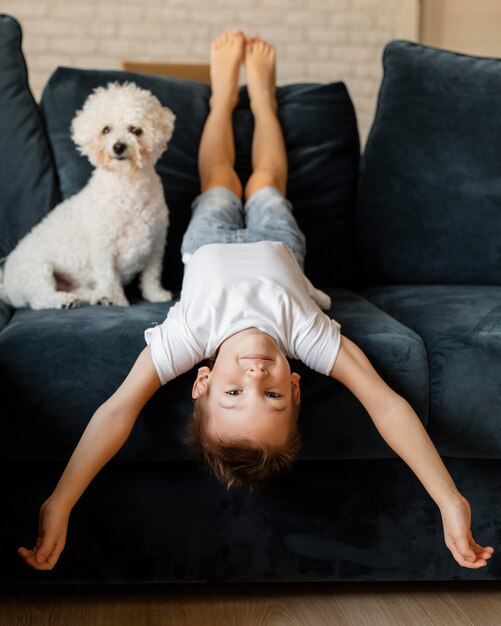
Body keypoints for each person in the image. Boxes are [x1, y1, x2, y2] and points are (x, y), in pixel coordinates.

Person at [18, 30, 494, 571]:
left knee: (218, 179)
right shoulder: (307, 338)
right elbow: (386, 405)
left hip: (208, 243)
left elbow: (117, 411)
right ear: (295, 386)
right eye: (271, 396)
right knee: (267, 180)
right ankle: (264, 101)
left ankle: (223, 96)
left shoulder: (188, 336)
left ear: (201, 382)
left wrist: (60, 500)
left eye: (233, 392)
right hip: (278, 242)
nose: (255, 375)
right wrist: (449, 499)